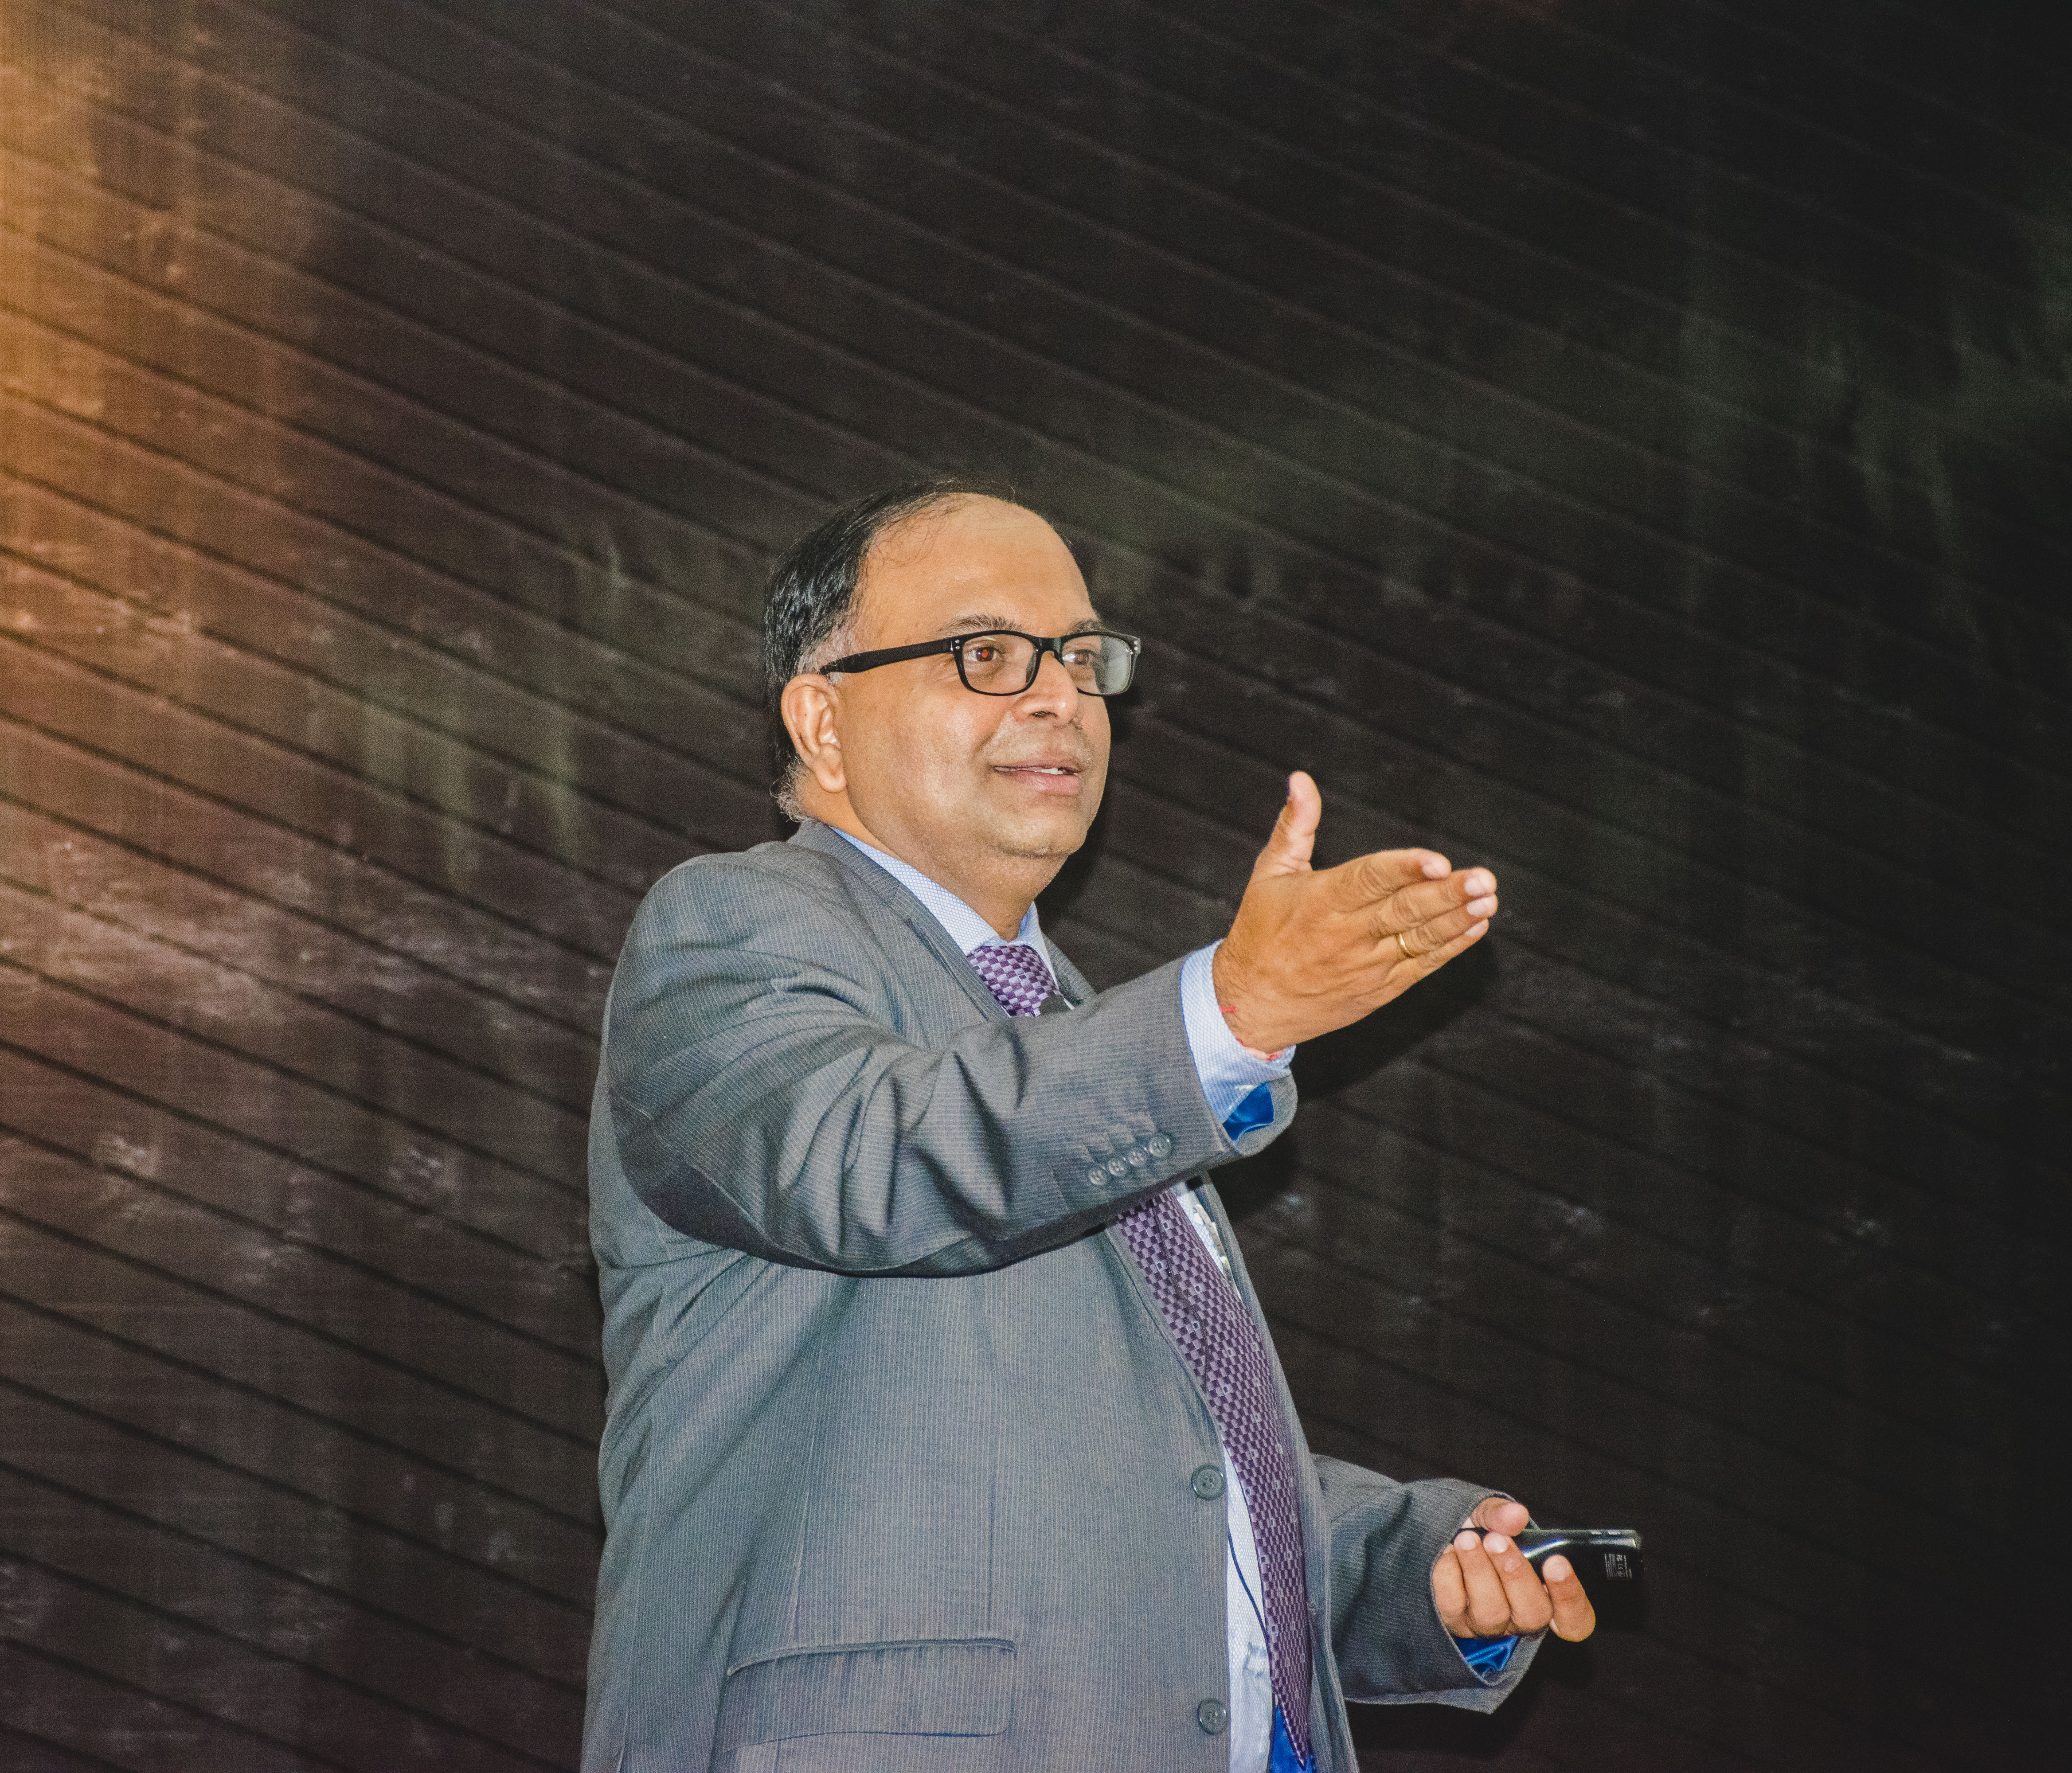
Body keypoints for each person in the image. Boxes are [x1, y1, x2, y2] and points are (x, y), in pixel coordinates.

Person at [581, 484, 1595, 1772]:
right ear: (823, 721)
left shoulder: (1066, 1024)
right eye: (987, 655)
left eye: (1080, 658)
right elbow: (874, 1162)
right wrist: (1232, 1011)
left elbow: (1157, 1487)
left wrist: (1417, 1575)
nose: (1059, 697)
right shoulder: (731, 928)